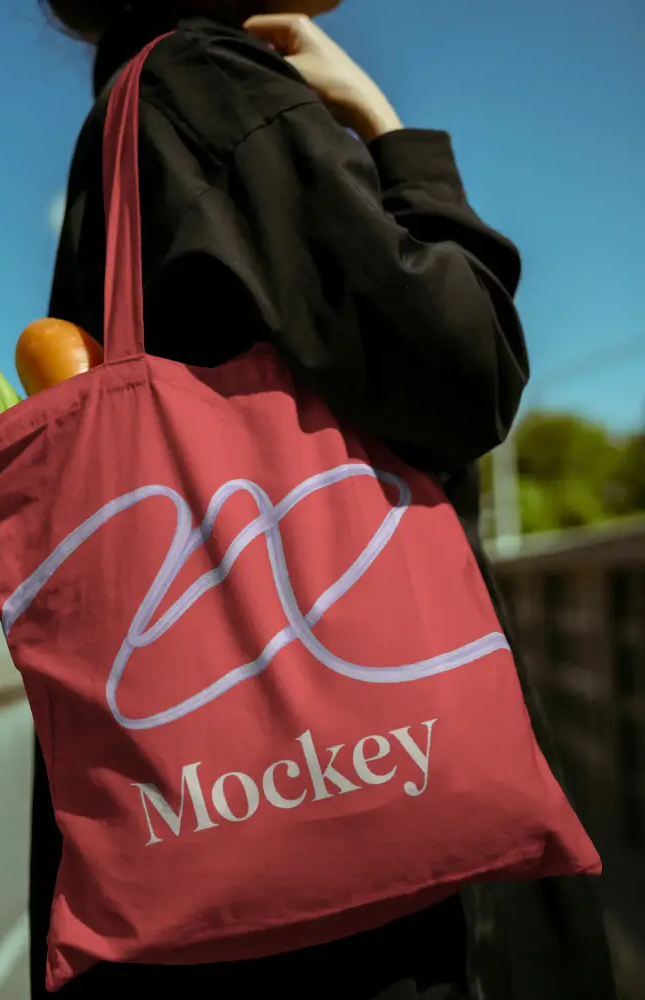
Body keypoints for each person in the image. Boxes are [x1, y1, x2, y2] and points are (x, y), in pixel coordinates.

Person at [33, 2, 617, 997]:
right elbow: (461, 368)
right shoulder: (203, 86)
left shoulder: (133, 111)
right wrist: (384, 126)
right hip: (372, 922)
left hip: (245, 874)